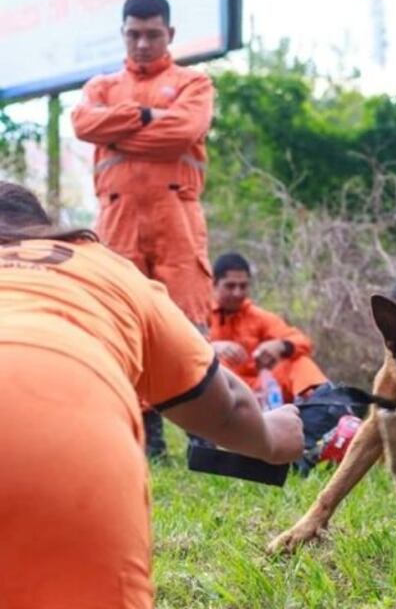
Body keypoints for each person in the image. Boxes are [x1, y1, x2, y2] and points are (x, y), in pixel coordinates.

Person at [0, 182, 304, 609]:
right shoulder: (102, 266)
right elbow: (225, 407)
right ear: (41, 228)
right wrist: (271, 438)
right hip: (73, 434)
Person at [71, 0, 216, 456]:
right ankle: (142, 436)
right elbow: (82, 124)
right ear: (122, 34)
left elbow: (185, 131)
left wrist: (120, 133)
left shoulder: (194, 83)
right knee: (121, 324)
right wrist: (147, 116)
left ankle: (205, 433)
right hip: (118, 227)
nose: (142, 43)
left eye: (152, 34)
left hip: (177, 224)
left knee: (188, 326)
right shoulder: (100, 86)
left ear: (169, 34)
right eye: (133, 34)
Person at [209, 252, 329, 404]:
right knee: (211, 367)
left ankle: (325, 407)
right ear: (214, 284)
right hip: (219, 395)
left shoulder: (258, 316)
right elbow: (182, 352)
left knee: (299, 362)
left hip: (260, 391)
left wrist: (280, 346)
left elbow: (302, 341)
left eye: (243, 286)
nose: (237, 293)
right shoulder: (199, 315)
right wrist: (212, 348)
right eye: (230, 286)